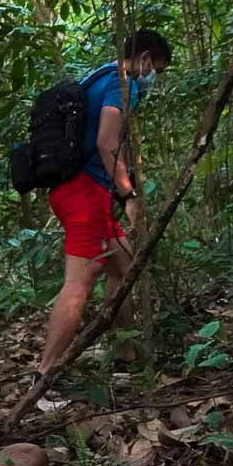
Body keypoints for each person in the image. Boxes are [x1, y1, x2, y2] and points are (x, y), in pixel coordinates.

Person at [37, 29, 172, 374]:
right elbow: (106, 143)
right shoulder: (120, 84)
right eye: (157, 67)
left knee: (123, 265)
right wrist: (128, 194)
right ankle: (43, 377)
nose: (155, 76)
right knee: (79, 283)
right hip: (83, 193)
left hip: (83, 190)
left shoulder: (98, 75)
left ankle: (124, 356)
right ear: (143, 59)